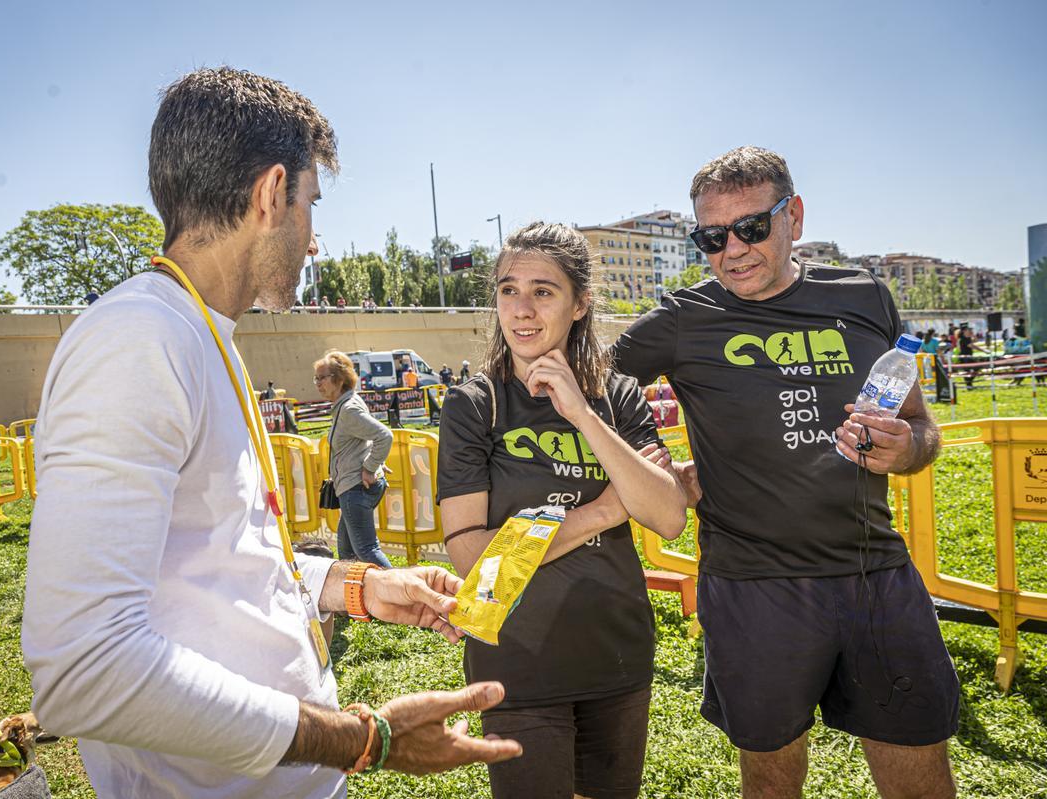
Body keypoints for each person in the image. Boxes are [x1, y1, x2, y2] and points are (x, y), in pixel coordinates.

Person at [21, 68, 520, 799]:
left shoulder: (199, 333)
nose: (313, 239)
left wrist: (361, 586)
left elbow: (225, 557)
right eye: (310, 205)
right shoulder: (140, 339)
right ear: (269, 193)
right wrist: (360, 737)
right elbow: (82, 667)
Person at [611, 146, 956, 799]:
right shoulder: (684, 318)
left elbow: (920, 423)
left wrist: (904, 448)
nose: (732, 249)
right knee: (770, 782)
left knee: (921, 778)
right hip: (751, 587)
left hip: (875, 574)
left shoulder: (864, 296)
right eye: (712, 236)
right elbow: (595, 390)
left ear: (793, 215)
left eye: (750, 227)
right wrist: (651, 465)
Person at [436, 222, 687, 799]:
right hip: (518, 663)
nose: (521, 309)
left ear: (580, 303)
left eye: (543, 291)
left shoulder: (618, 397)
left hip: (617, 657)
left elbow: (668, 516)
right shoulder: (476, 405)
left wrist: (582, 414)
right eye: (507, 289)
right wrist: (601, 513)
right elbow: (475, 555)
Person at [315, 351, 393, 568]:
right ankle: (352, 599)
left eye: (322, 378)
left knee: (366, 551)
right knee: (348, 555)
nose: (317, 383)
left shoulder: (348, 410)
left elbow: (384, 436)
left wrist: (370, 467)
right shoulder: (347, 404)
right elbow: (363, 440)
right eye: (316, 378)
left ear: (339, 380)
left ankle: (403, 593)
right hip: (351, 489)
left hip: (355, 488)